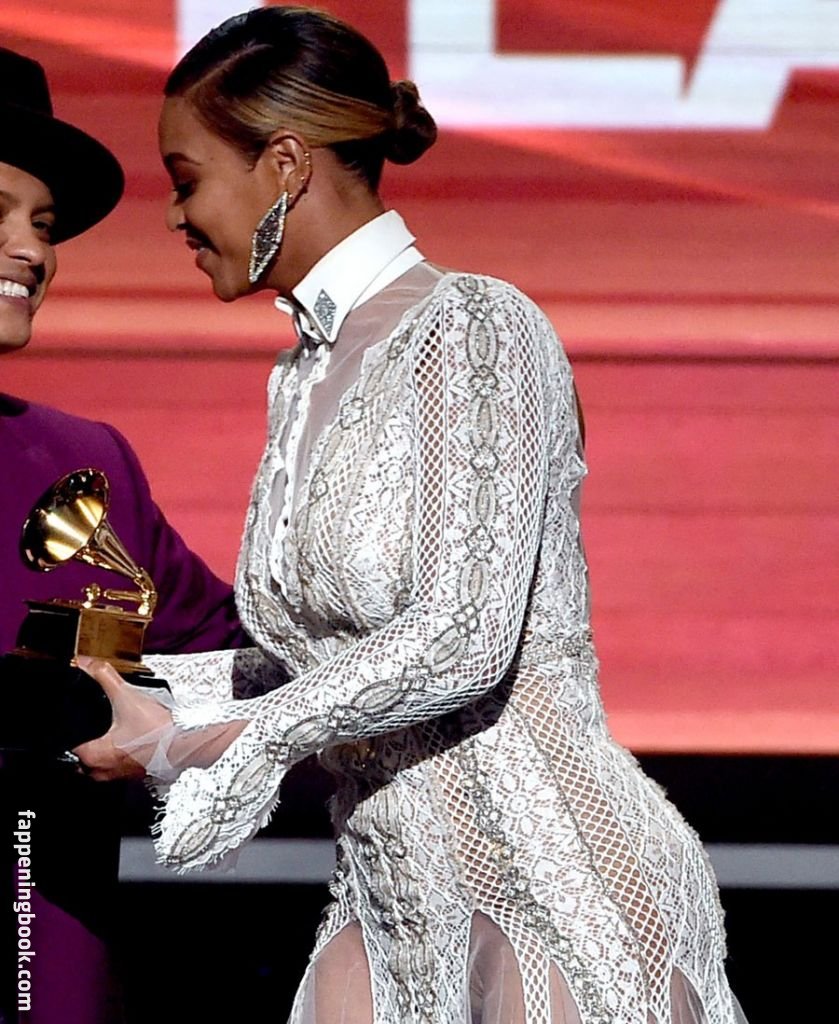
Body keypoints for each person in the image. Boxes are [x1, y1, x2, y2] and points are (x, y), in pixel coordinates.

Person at [76, 7, 748, 1023]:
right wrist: (115, 685)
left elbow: (459, 637)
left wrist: (201, 744)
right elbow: (319, 663)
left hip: (554, 884)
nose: (174, 214)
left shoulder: (475, 325)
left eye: (186, 178)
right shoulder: (301, 375)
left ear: (284, 164)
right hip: (389, 900)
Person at [0, 47, 253, 1023]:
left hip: (44, 947)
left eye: (44, 225)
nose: (31, 253)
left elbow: (233, 655)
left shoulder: (83, 461)